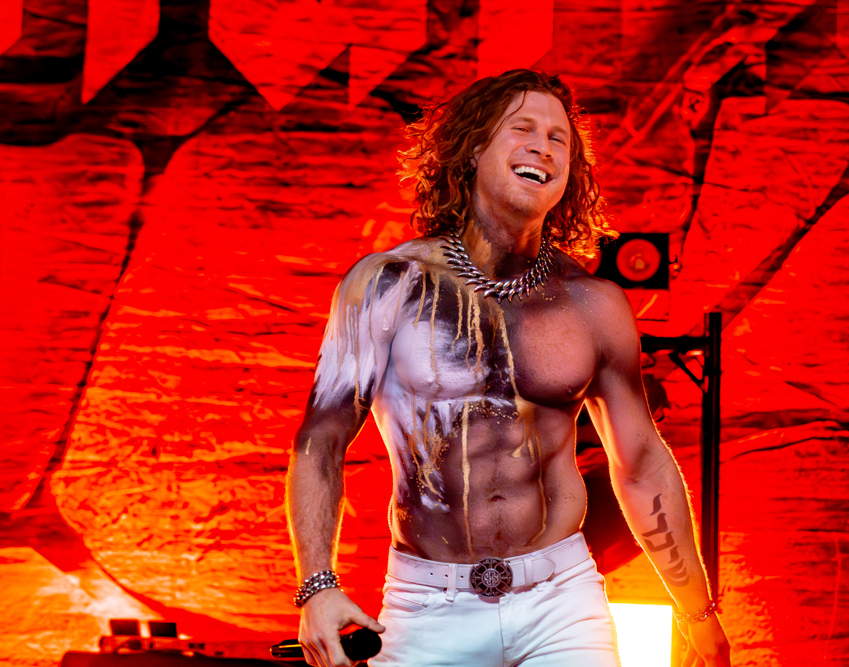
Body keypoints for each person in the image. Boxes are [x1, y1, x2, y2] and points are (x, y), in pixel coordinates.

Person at [286, 69, 731, 667]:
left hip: (562, 600)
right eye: (522, 129)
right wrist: (316, 586)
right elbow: (321, 439)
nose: (543, 146)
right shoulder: (389, 286)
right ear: (472, 149)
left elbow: (642, 462)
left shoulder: (593, 304)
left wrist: (698, 613)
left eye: (558, 139)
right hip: (428, 603)